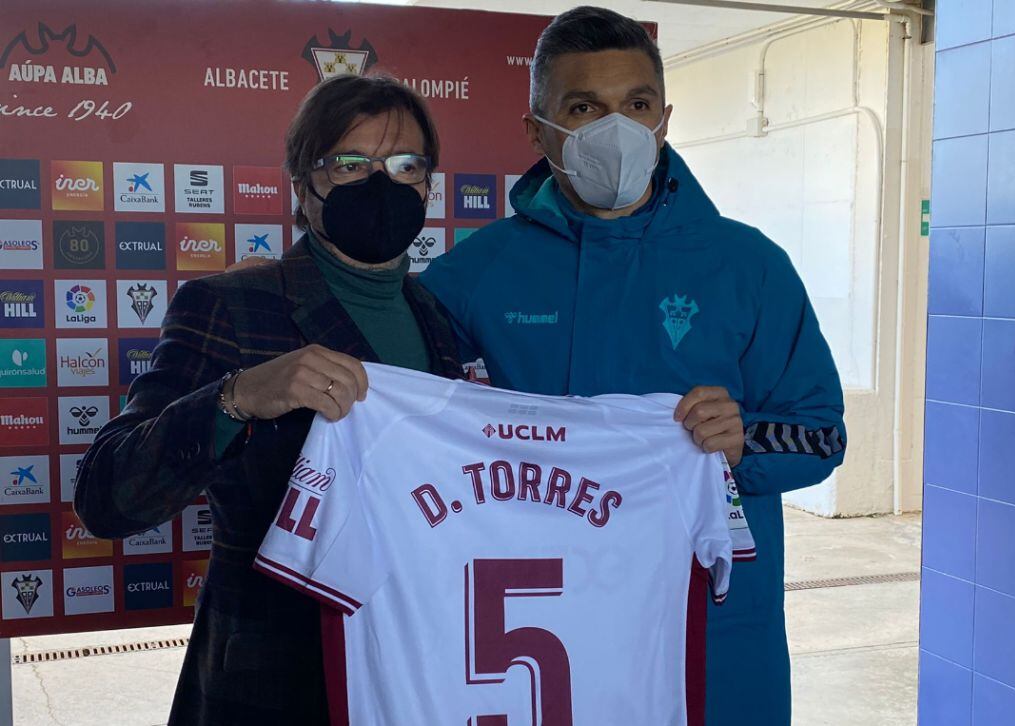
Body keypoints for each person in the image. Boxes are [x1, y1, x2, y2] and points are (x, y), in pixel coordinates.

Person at [419, 7, 847, 725]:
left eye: (636, 105)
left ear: (665, 119)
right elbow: (401, 414)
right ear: (537, 128)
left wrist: (743, 441)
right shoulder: (477, 276)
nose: (614, 129)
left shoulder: (747, 267)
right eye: (583, 108)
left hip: (713, 625)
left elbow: (821, 436)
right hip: (540, 623)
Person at [74, 74, 463, 726]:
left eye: (404, 165)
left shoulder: (437, 316)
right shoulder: (228, 305)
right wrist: (238, 397)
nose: (380, 184)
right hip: (274, 681)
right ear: (303, 187)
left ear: (428, 184)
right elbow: (107, 498)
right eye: (349, 164)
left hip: (413, 669)